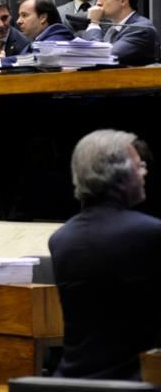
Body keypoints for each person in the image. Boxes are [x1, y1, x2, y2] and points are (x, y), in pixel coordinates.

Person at [49, 129, 161, 380]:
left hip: (69, 382)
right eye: (138, 165)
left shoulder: (60, 239)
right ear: (118, 174)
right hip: (134, 381)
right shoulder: (150, 233)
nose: (144, 173)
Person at [0, 0, 75, 68]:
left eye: (24, 15)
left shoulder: (58, 35)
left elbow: (37, 58)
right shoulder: (37, 40)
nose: (18, 21)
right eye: (19, 15)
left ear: (42, 17)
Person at [80, 0, 158, 66]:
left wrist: (94, 23)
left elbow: (102, 58)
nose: (98, 3)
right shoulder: (113, 28)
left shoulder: (141, 29)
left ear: (123, 0)